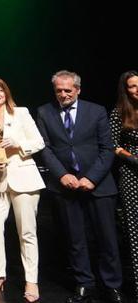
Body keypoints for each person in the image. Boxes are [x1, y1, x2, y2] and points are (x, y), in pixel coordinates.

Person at [37, 70, 124, 303]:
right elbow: (44, 149)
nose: (63, 94)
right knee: (75, 240)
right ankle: (85, 284)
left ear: (78, 89)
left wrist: (92, 178)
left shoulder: (96, 111)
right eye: (59, 91)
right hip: (65, 186)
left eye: (68, 90)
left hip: (99, 186)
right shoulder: (45, 112)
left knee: (107, 239)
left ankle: (112, 286)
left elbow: (107, 149)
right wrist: (62, 174)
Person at [0, 77, 45, 301]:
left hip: (23, 176)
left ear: (6, 91)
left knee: (26, 232)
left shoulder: (21, 112)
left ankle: (31, 281)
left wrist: (17, 145)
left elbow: (39, 142)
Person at [112, 70, 138, 303]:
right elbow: (111, 143)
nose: (137, 89)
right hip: (132, 175)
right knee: (135, 232)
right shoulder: (120, 113)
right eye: (132, 86)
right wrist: (131, 158)